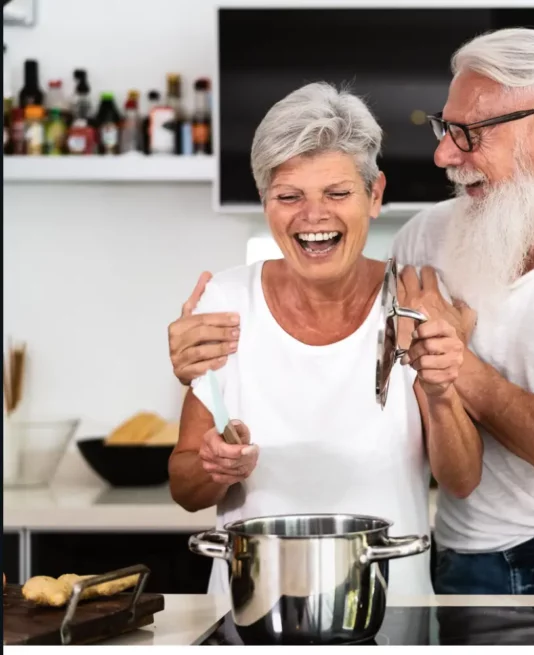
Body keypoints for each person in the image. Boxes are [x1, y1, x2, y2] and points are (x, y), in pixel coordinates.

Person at [169, 28, 534, 596]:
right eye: (446, 128)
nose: (442, 153)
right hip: (462, 556)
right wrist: (198, 371)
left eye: (468, 132)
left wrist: (454, 361)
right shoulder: (426, 241)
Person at [166, 82, 481, 598]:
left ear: (374, 195)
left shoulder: (413, 298)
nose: (314, 217)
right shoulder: (225, 302)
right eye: (289, 196)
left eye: (337, 194)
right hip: (251, 612)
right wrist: (215, 465)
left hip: (389, 610)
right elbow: (185, 489)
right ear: (266, 201)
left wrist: (444, 388)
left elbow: (462, 481)